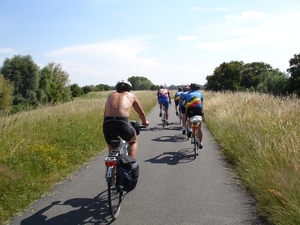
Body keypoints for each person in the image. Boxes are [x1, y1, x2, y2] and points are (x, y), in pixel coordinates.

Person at [103, 80, 149, 158]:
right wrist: (145, 122)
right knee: (133, 142)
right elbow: (141, 113)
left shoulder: (110, 96)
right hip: (122, 123)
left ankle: (111, 167)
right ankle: (130, 163)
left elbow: (105, 114)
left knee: (111, 149)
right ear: (129, 89)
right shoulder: (131, 95)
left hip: (107, 123)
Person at [184, 83, 204, 149]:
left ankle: (189, 129)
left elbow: (186, 104)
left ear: (190, 88)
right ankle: (200, 143)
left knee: (189, 118)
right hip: (199, 110)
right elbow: (201, 103)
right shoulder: (200, 93)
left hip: (190, 109)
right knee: (199, 127)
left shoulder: (188, 94)